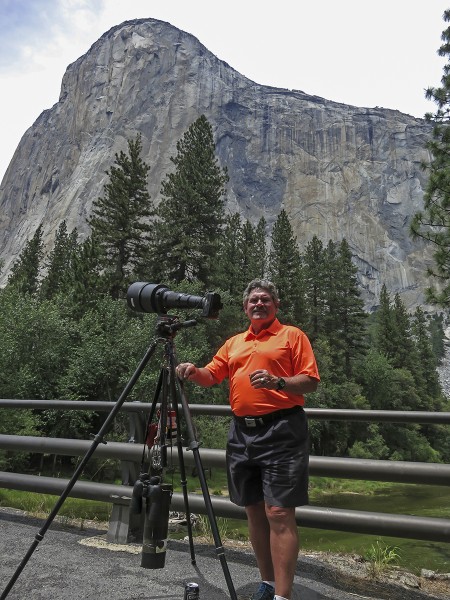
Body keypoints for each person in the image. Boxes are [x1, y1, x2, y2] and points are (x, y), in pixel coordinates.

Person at [176, 279, 320, 600]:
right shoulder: (234, 342)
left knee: (279, 512)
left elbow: (310, 381)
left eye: (265, 299)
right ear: (245, 308)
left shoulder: (291, 336)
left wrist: (278, 382)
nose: (259, 303)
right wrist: (191, 369)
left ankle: (283, 596)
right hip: (242, 433)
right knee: (253, 510)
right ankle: (267, 584)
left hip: (282, 430)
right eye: (253, 300)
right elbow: (212, 374)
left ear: (275, 305)